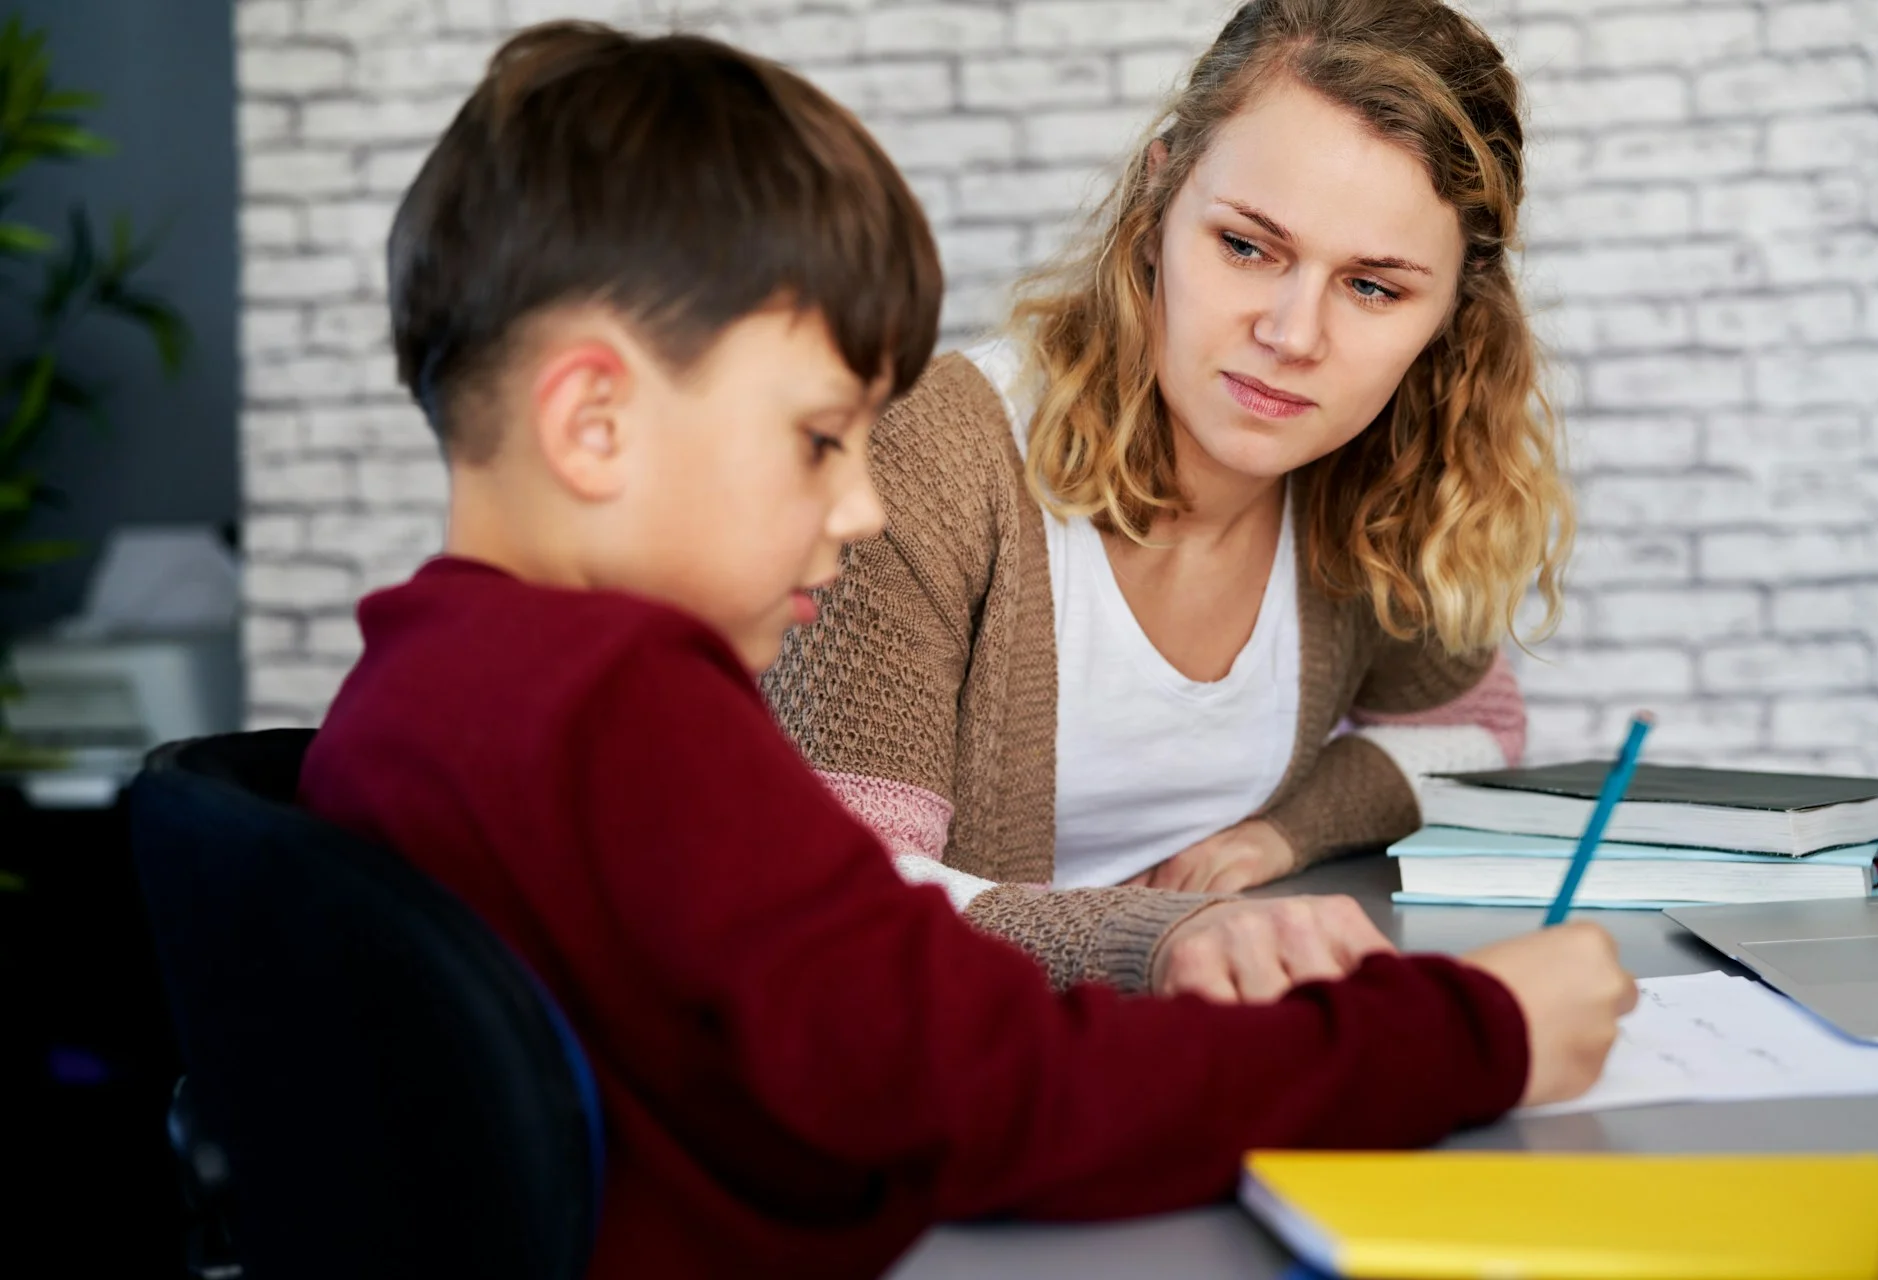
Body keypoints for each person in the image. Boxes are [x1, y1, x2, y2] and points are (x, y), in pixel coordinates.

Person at [298, 21, 1634, 1278]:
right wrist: (1475, 1034)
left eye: (1373, 285)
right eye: (821, 439)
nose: (861, 500)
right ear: (590, 424)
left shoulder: (419, 693)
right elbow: (997, 1097)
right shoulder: (631, 719)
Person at [763, 0, 1573, 1003]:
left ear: (1453, 310)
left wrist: (1282, 833)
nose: (1292, 334)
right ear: (1159, 201)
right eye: (1245, 245)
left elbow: (1477, 729)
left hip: (1190, 1059)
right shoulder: (930, 462)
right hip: (944, 1072)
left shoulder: (1366, 477)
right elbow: (845, 900)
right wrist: (1164, 933)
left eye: (1374, 287)